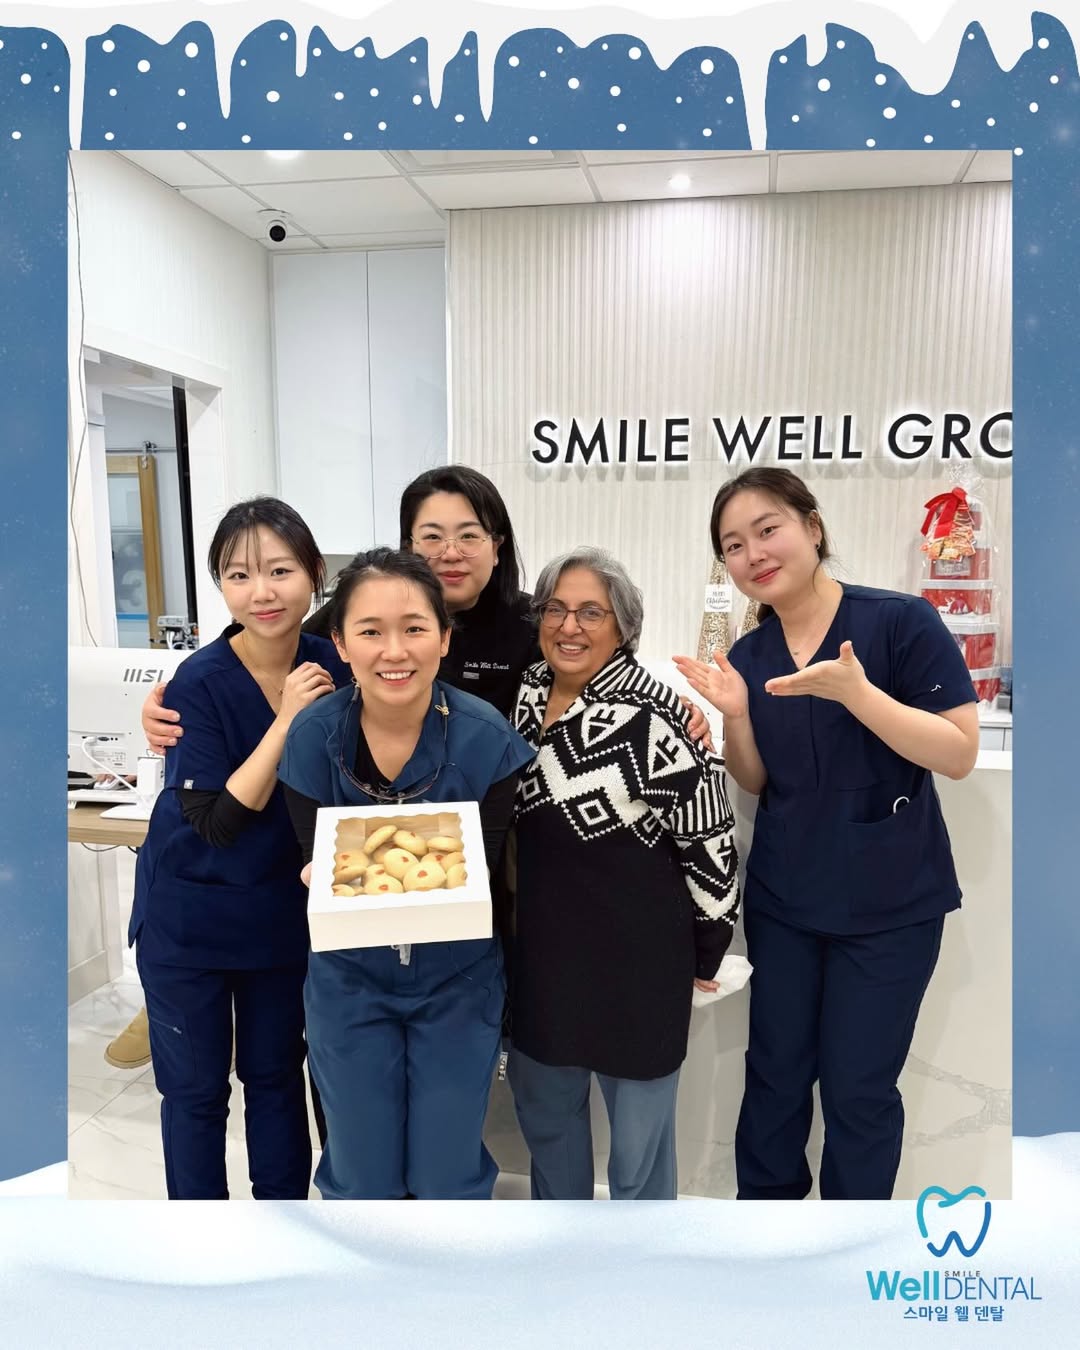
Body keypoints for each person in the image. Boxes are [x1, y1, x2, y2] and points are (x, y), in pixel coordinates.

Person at [672, 467, 979, 1201]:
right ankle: (768, 1237)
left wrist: (859, 693)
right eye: (733, 545)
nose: (754, 553)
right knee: (775, 1078)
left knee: (859, 1090)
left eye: (767, 529)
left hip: (891, 906)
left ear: (812, 526)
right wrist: (735, 717)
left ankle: (850, 1251)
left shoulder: (899, 622)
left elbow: (959, 752)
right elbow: (755, 780)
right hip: (787, 900)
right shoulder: (749, 656)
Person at [278, 548, 536, 1199]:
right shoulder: (312, 737)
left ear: (445, 638)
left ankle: (441, 1294)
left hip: (458, 983)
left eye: (415, 628)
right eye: (370, 630)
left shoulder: (487, 739)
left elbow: (490, 876)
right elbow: (316, 857)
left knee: (445, 1170)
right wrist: (323, 876)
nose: (395, 650)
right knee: (360, 1169)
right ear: (339, 640)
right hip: (350, 984)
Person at [129, 497, 350, 1199]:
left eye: (280, 570)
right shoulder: (198, 681)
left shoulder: (331, 661)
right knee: (195, 1095)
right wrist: (286, 719)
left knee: (277, 1079)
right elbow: (219, 820)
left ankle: (280, 1236)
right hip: (189, 924)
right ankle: (205, 1252)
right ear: (220, 586)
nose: (261, 592)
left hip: (281, 921)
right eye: (238, 574)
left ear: (315, 574)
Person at [509, 547, 740, 1200]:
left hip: (639, 965)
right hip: (542, 960)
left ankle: (640, 1275)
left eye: (591, 611)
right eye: (555, 608)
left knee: (639, 1152)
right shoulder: (521, 695)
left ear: (623, 627)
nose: (569, 626)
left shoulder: (657, 712)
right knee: (548, 1122)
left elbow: (711, 834)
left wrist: (709, 944)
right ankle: (566, 1259)